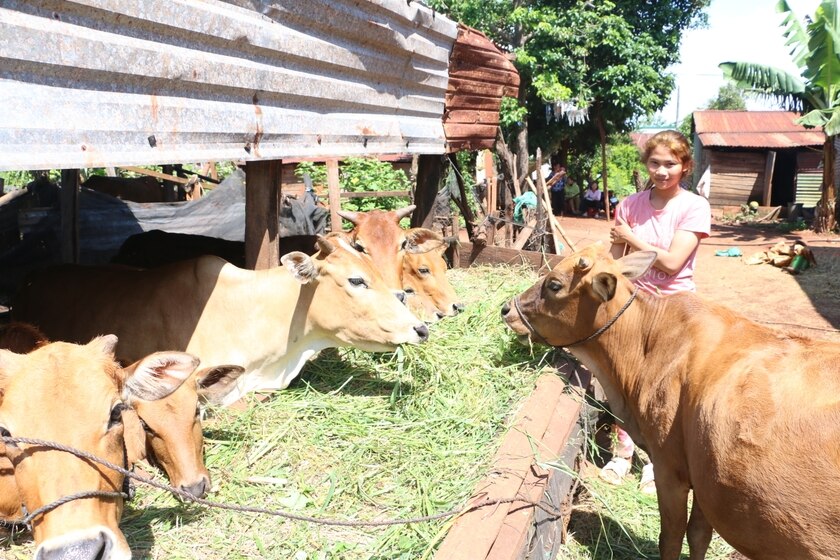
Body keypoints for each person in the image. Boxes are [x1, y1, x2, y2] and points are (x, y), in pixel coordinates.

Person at [600, 129, 711, 493]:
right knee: (625, 381)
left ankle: (655, 461)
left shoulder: (694, 206)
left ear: (685, 165)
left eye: (670, 164)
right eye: (654, 163)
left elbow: (672, 263)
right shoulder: (630, 204)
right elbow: (616, 262)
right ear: (645, 164)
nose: (662, 171)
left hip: (675, 309)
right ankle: (622, 454)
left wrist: (631, 238)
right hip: (633, 306)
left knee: (663, 390)